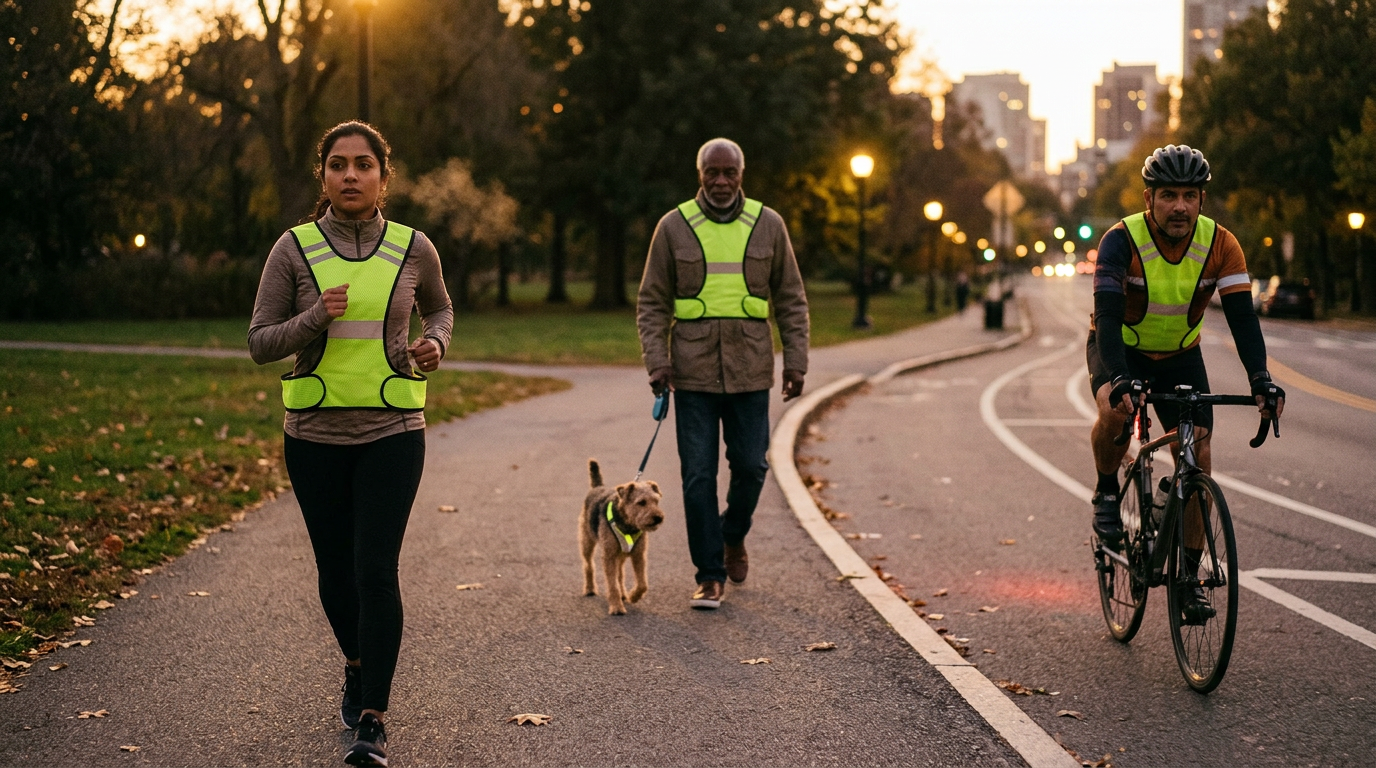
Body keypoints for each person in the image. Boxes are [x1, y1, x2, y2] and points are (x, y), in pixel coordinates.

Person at [249, 121, 452, 767]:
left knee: (375, 570)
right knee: (335, 574)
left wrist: (436, 344)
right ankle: (357, 664)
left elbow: (442, 310)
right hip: (313, 437)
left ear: (384, 177)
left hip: (393, 433)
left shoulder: (415, 247)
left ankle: (373, 720)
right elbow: (260, 342)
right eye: (338, 165)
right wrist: (316, 318)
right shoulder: (294, 248)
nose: (351, 175)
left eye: (364, 165)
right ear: (324, 177)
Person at [1086, 144, 1284, 622]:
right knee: (1115, 411)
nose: (1180, 206)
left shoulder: (1222, 244)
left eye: (1190, 196)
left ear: (1202, 200)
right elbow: (1109, 320)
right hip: (1122, 348)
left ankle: (1189, 580)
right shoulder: (1120, 240)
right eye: (1169, 195)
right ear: (1149, 197)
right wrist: (1118, 379)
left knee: (1199, 458)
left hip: (1180, 355)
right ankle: (1107, 491)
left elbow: (1242, 319)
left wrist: (1261, 379)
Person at [636, 138, 810, 610]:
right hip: (690, 375)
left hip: (752, 372)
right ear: (699, 174)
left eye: (728, 172)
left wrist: (796, 359)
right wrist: (657, 360)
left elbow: (791, 297)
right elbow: (652, 302)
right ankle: (709, 574)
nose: (719, 181)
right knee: (697, 478)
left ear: (741, 174)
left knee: (752, 466)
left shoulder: (768, 224)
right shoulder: (673, 227)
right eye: (711, 172)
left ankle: (733, 535)